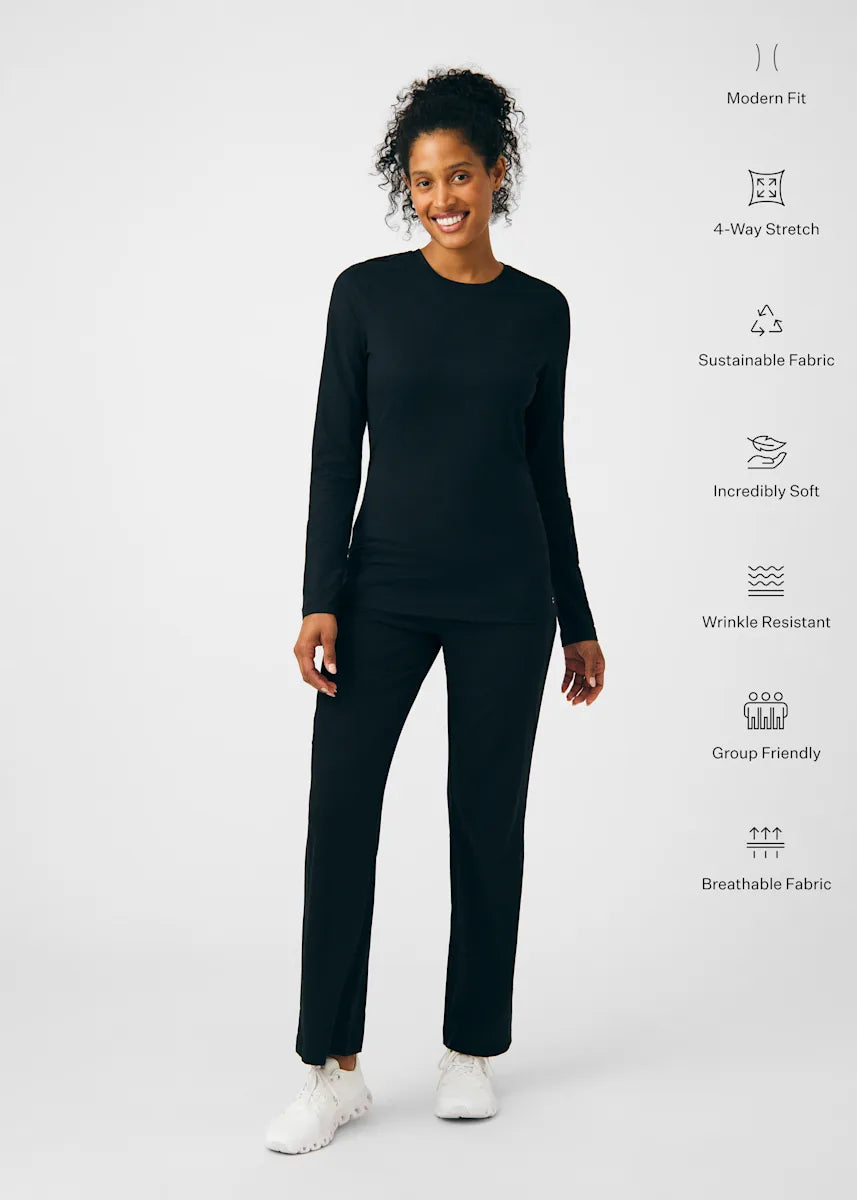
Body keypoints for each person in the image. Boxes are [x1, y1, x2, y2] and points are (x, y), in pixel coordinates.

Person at [265, 66, 606, 1156]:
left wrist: (575, 616)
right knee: (340, 821)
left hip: (507, 597)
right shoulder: (364, 295)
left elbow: (546, 473)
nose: (441, 198)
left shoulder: (540, 312)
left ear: (496, 173)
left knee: (486, 819)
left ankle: (470, 1050)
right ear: (403, 187)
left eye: (459, 175)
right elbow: (333, 456)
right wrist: (320, 598)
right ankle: (331, 1070)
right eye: (421, 181)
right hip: (382, 591)